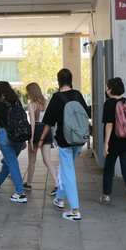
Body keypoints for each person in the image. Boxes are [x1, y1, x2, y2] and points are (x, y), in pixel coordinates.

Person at [38, 68, 90, 221]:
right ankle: (59, 199)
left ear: (58, 80)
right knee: (66, 169)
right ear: (71, 79)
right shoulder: (78, 95)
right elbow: (86, 113)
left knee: (68, 172)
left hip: (65, 140)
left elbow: (48, 122)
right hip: (79, 139)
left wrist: (41, 139)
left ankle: (75, 210)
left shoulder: (57, 97)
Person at [98, 77, 126, 213]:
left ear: (110, 89)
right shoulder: (125, 101)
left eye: (107, 87)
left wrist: (106, 143)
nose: (106, 89)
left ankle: (106, 196)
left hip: (114, 142)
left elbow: (109, 124)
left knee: (109, 169)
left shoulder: (109, 104)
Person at [0, 81, 27, 203]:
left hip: (5, 135)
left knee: (12, 163)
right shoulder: (17, 101)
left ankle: (20, 193)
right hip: (20, 135)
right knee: (10, 161)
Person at [24, 82, 58, 195]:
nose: (26, 94)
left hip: (37, 130)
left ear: (31, 92)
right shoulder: (47, 102)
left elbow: (32, 123)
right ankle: (57, 183)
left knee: (32, 161)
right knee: (47, 160)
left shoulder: (31, 104)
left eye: (27, 92)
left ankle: (28, 183)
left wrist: (31, 139)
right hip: (46, 131)